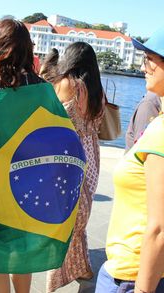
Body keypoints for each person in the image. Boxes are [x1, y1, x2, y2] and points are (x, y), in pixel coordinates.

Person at [0, 20, 86, 293]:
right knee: (22, 253)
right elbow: (59, 135)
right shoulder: (44, 89)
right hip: (28, 185)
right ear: (27, 50)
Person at [96, 27, 164, 293]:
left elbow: (159, 228)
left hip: (133, 275)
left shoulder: (160, 132)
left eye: (149, 58)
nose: (143, 66)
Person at [44, 42, 105, 292]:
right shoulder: (98, 90)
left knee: (65, 218)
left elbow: (51, 119)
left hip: (68, 156)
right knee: (80, 216)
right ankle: (81, 266)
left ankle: (56, 273)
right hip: (91, 154)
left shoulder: (67, 84)